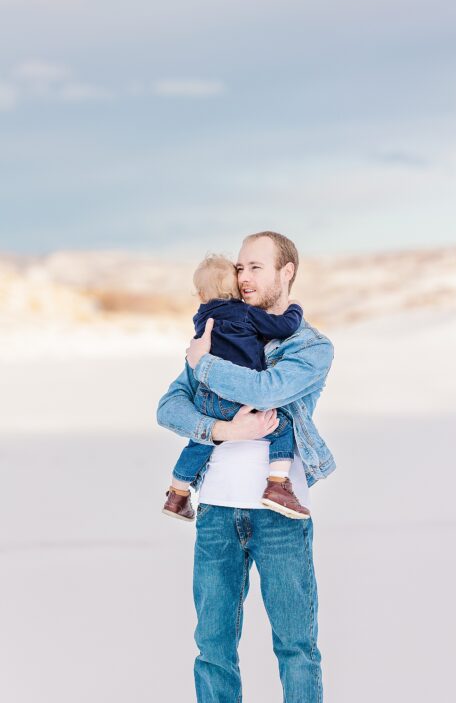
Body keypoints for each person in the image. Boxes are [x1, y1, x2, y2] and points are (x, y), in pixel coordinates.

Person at [156, 231, 335, 703]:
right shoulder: (216, 331)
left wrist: (205, 365)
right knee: (212, 649)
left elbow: (269, 390)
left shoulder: (310, 346)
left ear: (286, 272)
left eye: (256, 267)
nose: (244, 277)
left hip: (281, 514)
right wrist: (224, 432)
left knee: (296, 647)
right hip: (214, 511)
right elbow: (169, 408)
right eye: (240, 267)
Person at [163, 253, 308, 522]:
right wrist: (295, 308)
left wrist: (222, 429)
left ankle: (177, 493)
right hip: (238, 397)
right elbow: (284, 326)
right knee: (281, 426)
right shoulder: (245, 312)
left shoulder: (201, 318)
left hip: (208, 398)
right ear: (236, 291)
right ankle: (277, 484)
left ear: (200, 294)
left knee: (199, 441)